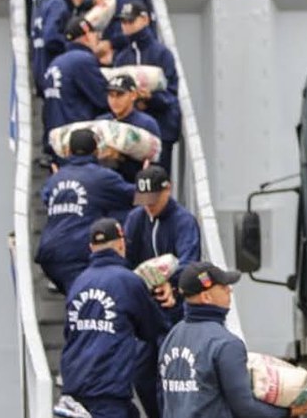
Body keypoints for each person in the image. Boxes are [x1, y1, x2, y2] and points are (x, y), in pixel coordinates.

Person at [60, 217, 169, 418]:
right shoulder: (128, 281)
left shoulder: (78, 282)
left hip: (74, 384)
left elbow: (69, 332)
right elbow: (153, 328)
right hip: (107, 387)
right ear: (121, 244)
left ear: (92, 247)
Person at [159, 262, 294, 418]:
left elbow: (162, 397)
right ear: (206, 297)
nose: (229, 290)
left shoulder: (172, 337)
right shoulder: (226, 344)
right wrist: (288, 413)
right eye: (223, 287)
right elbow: (245, 408)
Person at [35, 130, 136, 293]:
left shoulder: (55, 179)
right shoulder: (103, 178)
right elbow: (138, 198)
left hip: (49, 254)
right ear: (97, 151)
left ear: (68, 151)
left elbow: (46, 197)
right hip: (77, 253)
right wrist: (147, 175)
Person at [124, 166, 202, 325]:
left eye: (153, 199)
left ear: (167, 189)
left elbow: (190, 261)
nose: (148, 206)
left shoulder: (184, 221)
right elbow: (126, 257)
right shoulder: (136, 218)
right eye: (144, 200)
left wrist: (171, 282)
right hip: (142, 300)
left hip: (175, 305)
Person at [115, 2, 181, 170]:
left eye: (130, 21)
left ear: (144, 19)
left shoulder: (162, 54)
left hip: (160, 128)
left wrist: (150, 97)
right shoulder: (122, 57)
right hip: (131, 131)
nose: (126, 26)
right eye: (123, 22)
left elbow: (171, 95)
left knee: (156, 181)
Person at [43, 16, 110, 150]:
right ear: (86, 35)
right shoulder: (82, 60)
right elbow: (104, 99)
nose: (97, 38)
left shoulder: (56, 62)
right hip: (76, 139)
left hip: (56, 138)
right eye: (95, 34)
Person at [32, 0, 95, 90]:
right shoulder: (59, 5)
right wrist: (76, 46)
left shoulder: (50, 4)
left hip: (44, 71)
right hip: (52, 71)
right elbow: (51, 38)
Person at [97, 75, 162, 181]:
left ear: (133, 95)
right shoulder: (101, 122)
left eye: (120, 95)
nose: (114, 100)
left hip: (133, 185)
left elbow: (154, 164)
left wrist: (119, 157)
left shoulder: (146, 124)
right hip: (104, 185)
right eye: (111, 95)